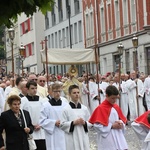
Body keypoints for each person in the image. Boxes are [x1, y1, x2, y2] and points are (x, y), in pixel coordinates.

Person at [89, 85, 128, 150]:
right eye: (112, 98)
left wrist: (121, 123)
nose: (114, 100)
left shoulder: (116, 107)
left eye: (116, 98)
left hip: (118, 136)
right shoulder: (101, 108)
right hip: (107, 139)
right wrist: (112, 126)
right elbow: (97, 126)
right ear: (106, 96)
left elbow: (122, 119)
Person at [60, 85, 92, 150]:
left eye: (78, 92)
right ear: (69, 94)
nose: (76, 94)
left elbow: (90, 122)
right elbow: (62, 124)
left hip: (83, 135)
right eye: (74, 93)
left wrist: (84, 123)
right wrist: (73, 123)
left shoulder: (84, 108)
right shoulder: (66, 109)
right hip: (71, 137)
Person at [39, 83, 68, 150]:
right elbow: (42, 121)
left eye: (59, 91)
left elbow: (69, 118)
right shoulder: (46, 105)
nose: (58, 93)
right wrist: (54, 122)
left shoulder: (65, 105)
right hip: (52, 133)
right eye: (55, 91)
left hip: (63, 132)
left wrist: (64, 123)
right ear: (51, 92)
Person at [21, 81, 46, 150]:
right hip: (29, 131)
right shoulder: (23, 101)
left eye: (35, 88)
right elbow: (22, 115)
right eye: (32, 88)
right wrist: (31, 126)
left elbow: (45, 114)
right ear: (27, 89)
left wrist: (40, 125)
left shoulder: (42, 100)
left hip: (41, 130)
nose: (34, 90)